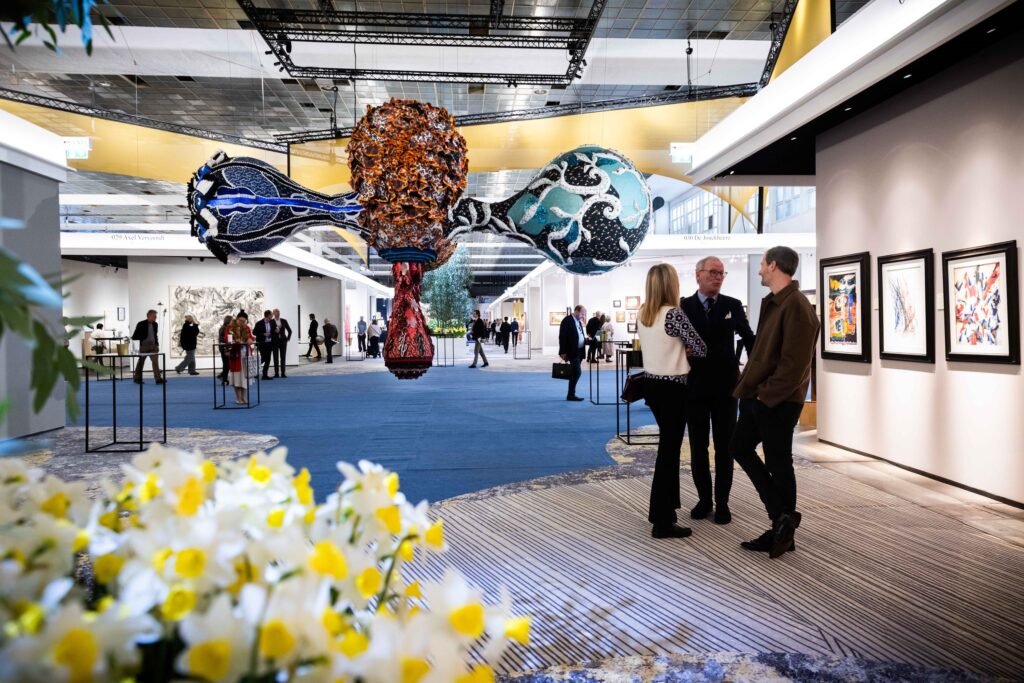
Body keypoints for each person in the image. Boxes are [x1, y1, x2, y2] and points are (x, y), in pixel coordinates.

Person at [731, 246, 819, 559]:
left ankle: (782, 528)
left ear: (773, 266)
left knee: (778, 462)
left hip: (777, 400)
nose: (759, 270)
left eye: (762, 265)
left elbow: (795, 365)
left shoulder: (796, 305)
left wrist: (764, 395)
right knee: (739, 447)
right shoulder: (775, 302)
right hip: (759, 396)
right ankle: (782, 519)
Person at [681, 256, 756, 525]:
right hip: (695, 387)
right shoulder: (684, 306)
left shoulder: (732, 305)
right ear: (698, 275)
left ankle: (722, 502)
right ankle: (704, 499)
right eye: (713, 272)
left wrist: (754, 372)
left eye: (721, 273)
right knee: (698, 446)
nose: (718, 277)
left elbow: (749, 339)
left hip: (726, 387)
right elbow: (670, 342)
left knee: (725, 447)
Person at [636, 264, 707, 539]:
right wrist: (685, 349)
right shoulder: (673, 314)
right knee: (669, 453)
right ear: (670, 285)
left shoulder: (644, 313)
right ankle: (662, 519)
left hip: (652, 385)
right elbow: (700, 347)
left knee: (667, 450)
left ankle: (664, 514)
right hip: (674, 388)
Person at [558, 305, 588, 401]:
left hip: (579, 351)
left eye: (584, 314)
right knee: (577, 372)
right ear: (576, 311)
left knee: (574, 373)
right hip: (572, 351)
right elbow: (562, 337)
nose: (583, 316)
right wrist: (562, 351)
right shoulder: (567, 320)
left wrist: (585, 340)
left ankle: (570, 394)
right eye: (582, 314)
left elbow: (578, 335)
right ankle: (571, 394)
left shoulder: (578, 321)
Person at [225, 314, 254, 404]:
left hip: (246, 355)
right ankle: (238, 398)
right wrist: (235, 342)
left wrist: (250, 340)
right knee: (237, 377)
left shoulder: (247, 328)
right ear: (237, 319)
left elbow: (251, 337)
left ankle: (243, 397)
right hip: (236, 356)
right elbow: (227, 339)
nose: (242, 323)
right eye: (241, 320)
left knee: (245, 378)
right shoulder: (230, 327)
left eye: (244, 321)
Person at [131, 309, 164, 385]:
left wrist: (157, 344)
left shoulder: (155, 324)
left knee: (155, 362)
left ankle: (158, 379)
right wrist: (138, 345)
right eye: (154, 316)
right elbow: (135, 336)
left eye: (156, 316)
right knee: (141, 362)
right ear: (149, 316)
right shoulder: (141, 324)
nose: (155, 318)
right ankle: (137, 378)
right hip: (143, 347)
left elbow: (155, 335)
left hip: (153, 347)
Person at [253, 310, 278, 380]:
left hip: (269, 343)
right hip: (262, 344)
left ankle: (264, 375)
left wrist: (276, 330)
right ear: (268, 315)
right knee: (263, 358)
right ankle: (255, 371)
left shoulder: (272, 322)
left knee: (268, 359)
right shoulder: (259, 323)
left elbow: (275, 329)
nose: (272, 316)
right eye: (271, 315)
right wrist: (263, 334)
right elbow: (254, 332)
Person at [272, 308, 292, 378]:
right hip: (275, 341)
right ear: (273, 313)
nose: (278, 313)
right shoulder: (271, 321)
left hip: (283, 341)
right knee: (275, 357)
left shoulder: (284, 321)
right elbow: (270, 331)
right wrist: (274, 332)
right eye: (276, 312)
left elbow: (290, 330)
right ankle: (276, 373)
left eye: (279, 311)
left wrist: (287, 339)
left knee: (283, 357)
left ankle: (283, 373)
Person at [217, 315, 233, 385]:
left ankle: (223, 376)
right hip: (224, 348)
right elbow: (222, 339)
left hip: (225, 348)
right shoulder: (224, 328)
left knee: (227, 364)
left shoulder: (226, 328)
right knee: (226, 364)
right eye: (232, 320)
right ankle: (224, 379)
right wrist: (226, 349)